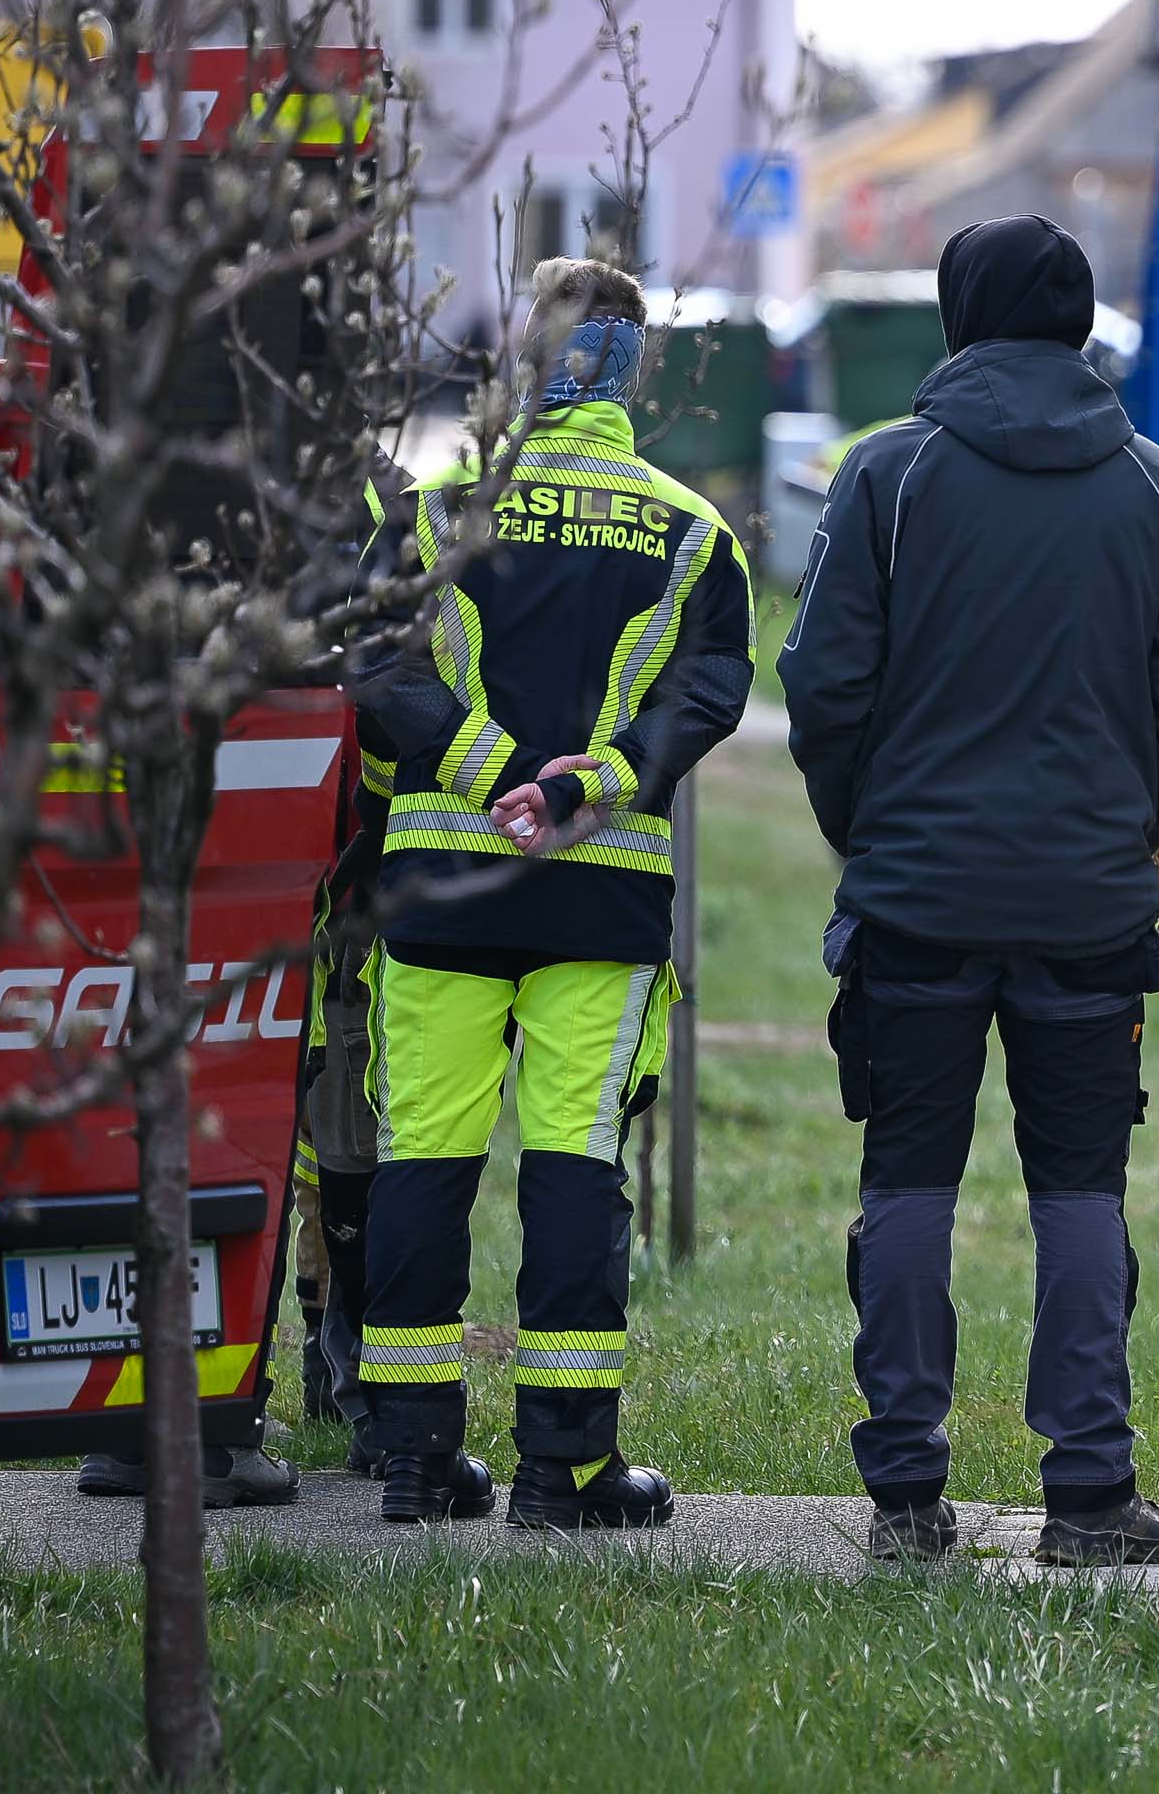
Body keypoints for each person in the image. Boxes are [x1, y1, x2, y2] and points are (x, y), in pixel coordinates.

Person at [782, 215, 1159, 1567]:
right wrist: (1129, 827)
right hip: (1089, 906)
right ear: (1081, 325)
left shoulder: (889, 475)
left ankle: (906, 1497)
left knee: (907, 1181)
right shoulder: (1157, 487)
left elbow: (821, 685)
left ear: (957, 314)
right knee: (1081, 1194)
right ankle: (1090, 1496)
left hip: (915, 898)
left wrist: (867, 829)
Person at [347, 258, 751, 1531]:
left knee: (424, 1158)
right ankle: (562, 1472)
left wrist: (488, 770)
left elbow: (375, 663)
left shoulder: (436, 510)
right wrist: (586, 784)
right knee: (576, 1164)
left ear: (527, 356)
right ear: (637, 369)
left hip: (442, 887)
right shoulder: (692, 532)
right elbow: (708, 694)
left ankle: (413, 1457)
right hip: (600, 897)